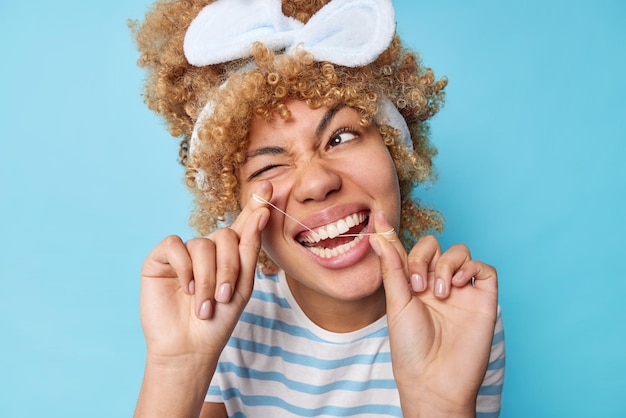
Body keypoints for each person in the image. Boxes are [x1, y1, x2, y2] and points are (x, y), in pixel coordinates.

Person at [131, 0, 505, 416]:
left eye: (341, 138)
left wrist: (438, 404)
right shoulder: (224, 317)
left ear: (395, 149)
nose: (317, 182)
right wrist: (177, 367)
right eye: (270, 165)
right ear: (237, 206)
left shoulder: (455, 311)